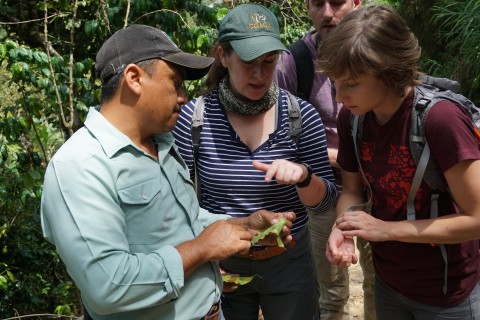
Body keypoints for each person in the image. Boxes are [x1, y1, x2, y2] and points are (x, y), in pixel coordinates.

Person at [40, 24, 297, 320]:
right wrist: (202, 249)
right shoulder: (80, 166)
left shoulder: (161, 143)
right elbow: (108, 285)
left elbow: (181, 220)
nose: (183, 97)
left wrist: (242, 226)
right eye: (175, 83)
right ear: (134, 78)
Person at [172, 3, 337, 320]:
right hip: (222, 262)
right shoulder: (194, 119)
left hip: (290, 262)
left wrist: (304, 177)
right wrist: (203, 255)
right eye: (248, 62)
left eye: (269, 61)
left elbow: (325, 200)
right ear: (223, 56)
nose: (260, 74)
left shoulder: (301, 117)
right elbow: (177, 202)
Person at [317, 5, 480, 319]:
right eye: (335, 83)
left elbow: (477, 219)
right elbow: (351, 191)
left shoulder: (440, 120)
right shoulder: (353, 118)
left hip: (447, 293)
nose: (339, 96)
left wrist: (386, 230)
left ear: (389, 71)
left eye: (351, 83)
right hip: (390, 282)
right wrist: (345, 229)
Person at [275, 1, 376, 319]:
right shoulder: (295, 61)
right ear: (307, 7)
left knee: (381, 285)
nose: (327, 13)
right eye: (318, 4)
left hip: (378, 189)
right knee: (330, 294)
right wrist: (337, 157)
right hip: (324, 192)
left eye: (337, 2)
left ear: (356, 3)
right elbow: (279, 133)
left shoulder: (375, 50)